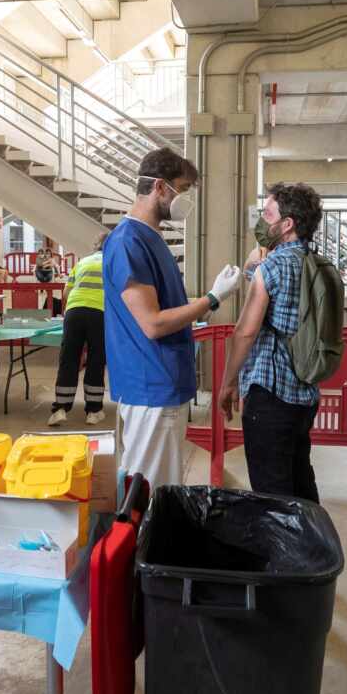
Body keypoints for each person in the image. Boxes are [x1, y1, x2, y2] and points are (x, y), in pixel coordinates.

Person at [103, 148, 242, 490]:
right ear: (160, 188)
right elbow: (153, 323)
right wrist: (212, 298)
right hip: (152, 384)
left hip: (163, 381)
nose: (187, 198)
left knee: (157, 485)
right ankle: (145, 545)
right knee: (150, 493)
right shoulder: (128, 241)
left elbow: (166, 308)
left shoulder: (152, 239)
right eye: (183, 188)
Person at [218, 182, 326, 501]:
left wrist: (227, 382)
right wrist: (256, 264)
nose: (261, 221)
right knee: (300, 479)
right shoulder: (317, 263)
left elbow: (246, 331)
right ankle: (313, 546)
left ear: (287, 224)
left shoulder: (275, 266)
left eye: (267, 214)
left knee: (271, 492)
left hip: (271, 394)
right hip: (305, 393)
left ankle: (282, 550)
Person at [49, 233, 108, 427]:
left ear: (95, 246)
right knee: (96, 360)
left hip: (74, 312)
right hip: (99, 314)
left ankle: (59, 409)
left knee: (69, 359)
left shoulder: (82, 262)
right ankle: (93, 411)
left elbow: (66, 292)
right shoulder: (113, 262)